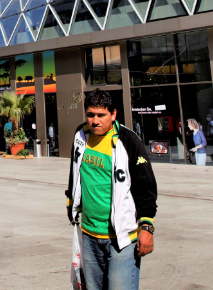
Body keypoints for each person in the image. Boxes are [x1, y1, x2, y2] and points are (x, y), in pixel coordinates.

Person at [66, 90, 157, 290]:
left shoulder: (129, 140)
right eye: (90, 115)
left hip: (122, 239)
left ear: (113, 114)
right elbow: (75, 171)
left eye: (101, 115)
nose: (95, 121)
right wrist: (70, 203)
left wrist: (147, 226)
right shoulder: (80, 135)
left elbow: (146, 185)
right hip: (89, 235)